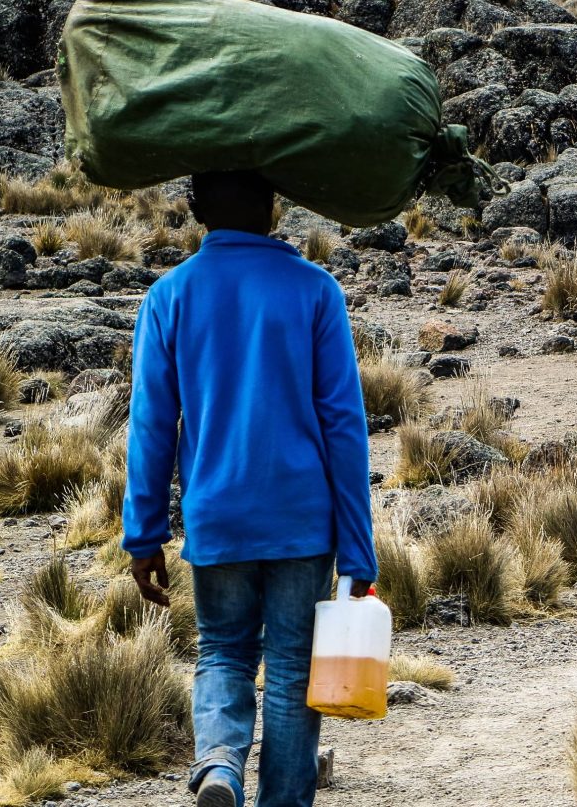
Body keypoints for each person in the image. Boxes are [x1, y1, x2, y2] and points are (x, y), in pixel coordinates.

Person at [126, 171, 377, 807]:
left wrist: (144, 534)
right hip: (302, 520)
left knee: (222, 654)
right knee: (292, 670)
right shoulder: (315, 290)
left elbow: (152, 425)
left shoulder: (169, 295)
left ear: (197, 211)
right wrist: (358, 548)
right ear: (273, 207)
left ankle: (218, 766)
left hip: (219, 517)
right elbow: (344, 426)